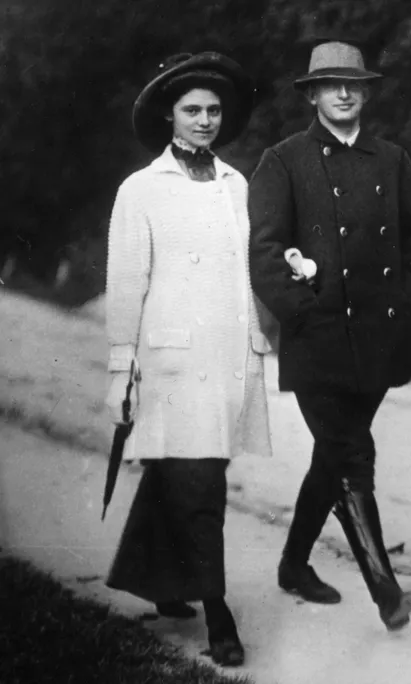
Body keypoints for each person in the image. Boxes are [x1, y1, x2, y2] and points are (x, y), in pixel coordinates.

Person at [248, 38, 411, 631]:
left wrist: (408, 297)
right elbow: (265, 252)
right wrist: (302, 311)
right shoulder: (283, 160)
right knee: (353, 454)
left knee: (334, 454)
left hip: (380, 339)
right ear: (312, 94)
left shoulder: (391, 159)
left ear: (365, 92)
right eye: (330, 84)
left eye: (352, 85)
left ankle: (292, 564)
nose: (342, 93)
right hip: (319, 339)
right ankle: (387, 595)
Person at [103, 51, 272, 668]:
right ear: (170, 118)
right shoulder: (141, 189)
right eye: (192, 110)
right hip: (170, 364)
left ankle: (164, 582)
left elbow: (246, 276)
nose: (205, 120)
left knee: (184, 475)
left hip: (224, 358)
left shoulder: (237, 184)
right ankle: (218, 614)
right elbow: (126, 284)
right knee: (201, 486)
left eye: (214, 111)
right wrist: (123, 370)